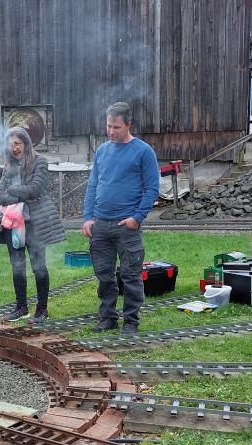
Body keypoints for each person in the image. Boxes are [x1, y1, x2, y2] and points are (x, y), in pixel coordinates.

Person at [82, 102, 159, 335]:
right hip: (100, 225)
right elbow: (93, 185)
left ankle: (131, 321)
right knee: (104, 275)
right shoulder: (102, 151)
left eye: (116, 127)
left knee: (130, 275)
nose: (111, 131)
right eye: (108, 126)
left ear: (128, 125)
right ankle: (107, 318)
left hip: (127, 226)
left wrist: (137, 217)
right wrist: (87, 217)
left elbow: (152, 189)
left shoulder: (143, 151)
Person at [0, 127, 65, 323]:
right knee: (17, 267)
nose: (14, 148)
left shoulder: (40, 161)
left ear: (26, 143)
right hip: (13, 224)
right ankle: (21, 307)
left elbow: (36, 189)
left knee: (39, 267)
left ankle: (42, 309)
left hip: (35, 223)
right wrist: (18, 193)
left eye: (17, 143)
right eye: (10, 145)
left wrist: (12, 190)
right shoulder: (8, 165)